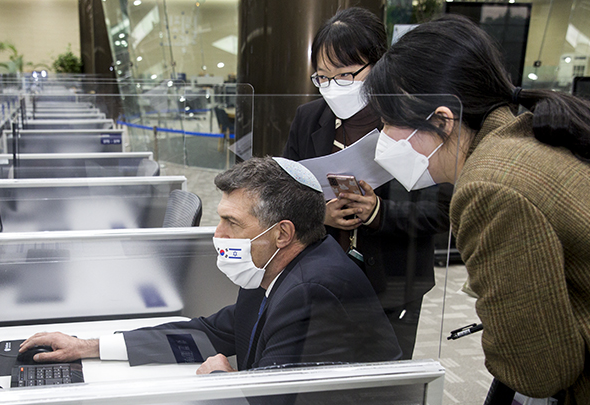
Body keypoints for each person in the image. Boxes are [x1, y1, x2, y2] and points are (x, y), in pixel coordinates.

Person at [363, 14, 590, 405]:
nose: (381, 141)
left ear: (441, 120)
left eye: (389, 125)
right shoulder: (531, 137)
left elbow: (538, 366)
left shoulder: (491, 187)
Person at [20, 157, 401, 374]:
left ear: (282, 233)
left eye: (231, 223)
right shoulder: (272, 267)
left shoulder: (312, 290)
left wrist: (225, 383)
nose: (217, 235)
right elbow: (209, 333)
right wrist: (86, 347)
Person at [282, 7, 450, 359]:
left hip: (393, 281)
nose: (332, 88)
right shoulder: (309, 118)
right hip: (321, 276)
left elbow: (441, 210)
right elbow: (286, 188)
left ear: (379, 64)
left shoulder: (413, 119)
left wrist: (377, 212)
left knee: (381, 384)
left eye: (345, 75)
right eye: (322, 78)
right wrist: (317, 213)